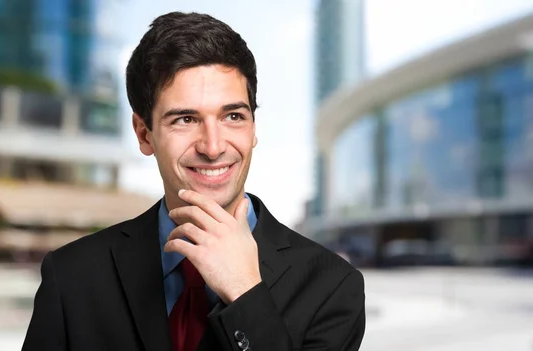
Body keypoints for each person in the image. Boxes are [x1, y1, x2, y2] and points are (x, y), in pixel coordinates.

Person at [22, 11, 365, 351]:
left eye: (233, 116)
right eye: (185, 119)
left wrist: (245, 293)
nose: (213, 147)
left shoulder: (333, 286)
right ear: (144, 134)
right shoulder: (71, 277)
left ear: (253, 128)